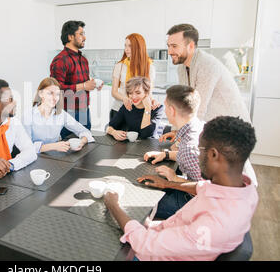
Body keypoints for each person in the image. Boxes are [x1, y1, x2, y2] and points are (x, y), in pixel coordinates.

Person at [104, 116, 259, 261]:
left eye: (200, 149)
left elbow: (145, 245)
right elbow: (202, 187)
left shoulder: (212, 226)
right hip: (166, 231)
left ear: (213, 154)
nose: (197, 156)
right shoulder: (244, 189)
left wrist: (113, 205)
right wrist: (168, 184)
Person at [160, 23, 257, 186]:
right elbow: (185, 104)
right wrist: (178, 132)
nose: (170, 51)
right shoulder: (182, 68)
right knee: (217, 177)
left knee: (236, 173)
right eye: (169, 46)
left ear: (190, 46)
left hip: (231, 127)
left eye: (174, 46)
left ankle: (246, 197)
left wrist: (179, 141)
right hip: (213, 125)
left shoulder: (207, 65)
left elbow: (198, 109)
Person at [143, 85, 204, 219]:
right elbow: (190, 157)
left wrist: (174, 178)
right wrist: (165, 154)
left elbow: (205, 190)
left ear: (172, 110)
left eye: (165, 106)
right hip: (191, 191)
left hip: (193, 203)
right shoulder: (197, 126)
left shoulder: (189, 147)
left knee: (143, 203)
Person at [50, 20, 103, 139]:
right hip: (67, 112)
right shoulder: (60, 60)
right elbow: (56, 89)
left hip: (84, 109)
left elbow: (79, 79)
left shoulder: (83, 59)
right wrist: (84, 86)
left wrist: (93, 83)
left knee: (87, 145)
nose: (84, 37)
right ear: (70, 36)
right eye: (81, 34)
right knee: (68, 150)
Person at [22, 77, 95, 153]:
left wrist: (81, 142)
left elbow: (84, 131)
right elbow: (26, 148)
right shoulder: (28, 115)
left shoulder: (61, 114)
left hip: (55, 158)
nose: (54, 98)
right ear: (40, 94)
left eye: (57, 94)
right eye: (50, 93)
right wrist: (53, 146)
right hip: (34, 159)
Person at [110, 33, 157, 121]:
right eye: (125, 46)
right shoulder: (119, 66)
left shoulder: (149, 67)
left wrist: (153, 101)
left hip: (139, 113)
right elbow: (114, 92)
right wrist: (125, 98)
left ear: (139, 47)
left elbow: (148, 92)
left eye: (130, 46)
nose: (126, 49)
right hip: (119, 110)